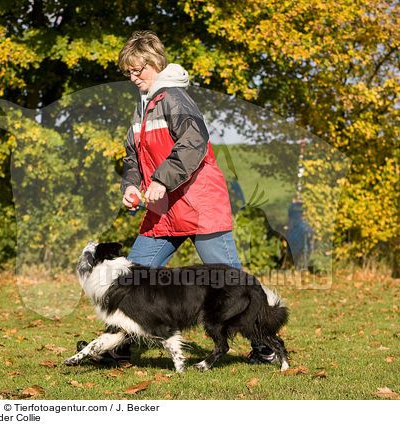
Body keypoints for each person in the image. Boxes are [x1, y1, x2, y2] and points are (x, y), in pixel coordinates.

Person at [87, 30, 278, 366]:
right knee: (130, 282)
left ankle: (264, 346)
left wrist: (162, 178)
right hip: (163, 211)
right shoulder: (143, 107)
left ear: (154, 63)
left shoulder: (175, 98)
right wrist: (130, 186)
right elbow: (133, 158)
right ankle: (117, 346)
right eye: (127, 72)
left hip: (199, 205)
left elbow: (193, 145)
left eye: (137, 70)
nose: (132, 77)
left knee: (229, 282)